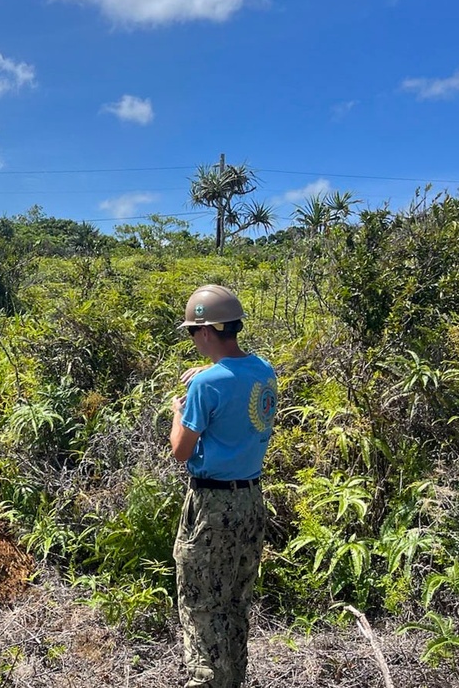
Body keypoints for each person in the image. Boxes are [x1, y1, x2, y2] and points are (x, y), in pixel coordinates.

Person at [169, 284, 277, 688]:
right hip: (251, 500)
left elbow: (181, 450)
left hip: (211, 506)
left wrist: (178, 412)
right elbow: (237, 378)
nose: (193, 338)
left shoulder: (204, 386)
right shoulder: (264, 371)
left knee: (200, 607)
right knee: (234, 604)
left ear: (208, 331)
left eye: (193, 331)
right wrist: (208, 374)